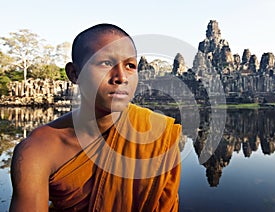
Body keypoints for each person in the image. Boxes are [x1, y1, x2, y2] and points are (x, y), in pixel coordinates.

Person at [9, 23, 182, 211]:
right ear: (74, 74)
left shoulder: (157, 135)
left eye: (130, 66)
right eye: (106, 63)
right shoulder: (37, 150)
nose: (121, 77)